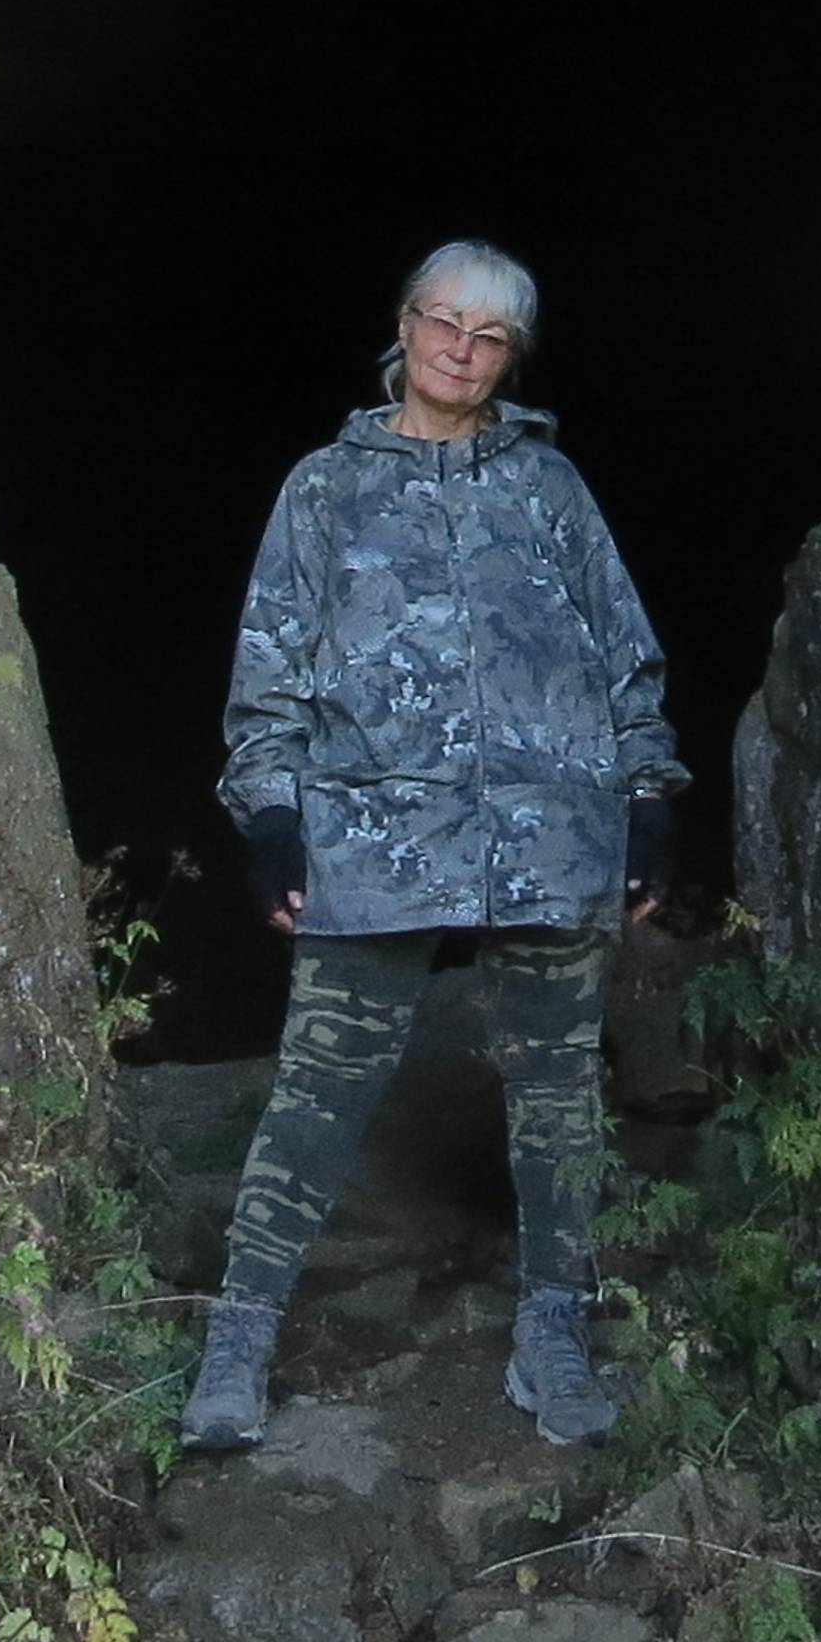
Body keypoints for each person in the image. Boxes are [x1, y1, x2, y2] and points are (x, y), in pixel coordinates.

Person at [181, 240, 682, 1456]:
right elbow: (270, 673)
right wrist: (271, 819)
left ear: (512, 358)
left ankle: (551, 1331)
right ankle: (237, 1347)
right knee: (319, 1090)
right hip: (374, 835)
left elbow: (624, 651)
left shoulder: (549, 490)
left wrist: (650, 799)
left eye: (491, 336)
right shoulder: (325, 489)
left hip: (552, 832)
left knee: (557, 1094)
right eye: (443, 323)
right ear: (403, 327)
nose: (461, 351)